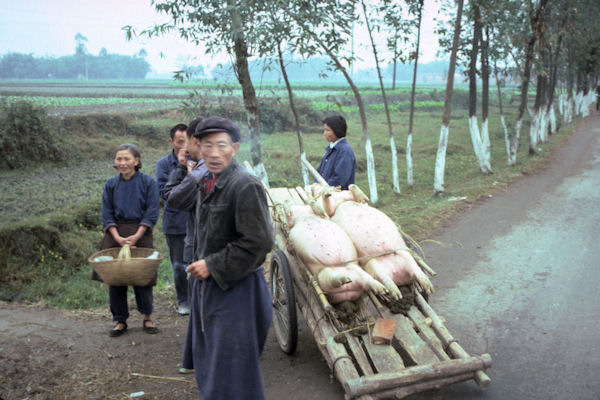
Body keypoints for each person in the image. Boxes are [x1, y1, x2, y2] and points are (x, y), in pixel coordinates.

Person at [183, 116, 274, 400]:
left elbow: (260, 242)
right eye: (206, 145)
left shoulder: (245, 185)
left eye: (220, 145)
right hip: (210, 288)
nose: (212, 153)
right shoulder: (207, 182)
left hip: (238, 289)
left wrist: (212, 264)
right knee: (212, 360)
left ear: (234, 148)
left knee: (234, 369)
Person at [95, 143, 159, 337]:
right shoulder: (111, 184)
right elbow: (107, 214)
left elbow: (152, 212)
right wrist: (117, 237)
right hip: (115, 235)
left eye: (126, 159)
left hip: (141, 233)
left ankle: (147, 317)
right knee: (116, 279)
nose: (122, 163)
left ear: (136, 161)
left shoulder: (148, 182)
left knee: (143, 277)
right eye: (118, 159)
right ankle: (120, 320)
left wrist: (137, 236)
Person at [163, 118, 207, 374]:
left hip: (201, 246)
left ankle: (197, 357)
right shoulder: (204, 169)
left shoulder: (200, 170)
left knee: (200, 302)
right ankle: (196, 355)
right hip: (201, 243)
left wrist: (184, 173)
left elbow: (172, 197)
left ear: (194, 142)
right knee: (201, 300)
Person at [156, 123, 191, 315]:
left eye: (187, 141)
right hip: (175, 222)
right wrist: (180, 166)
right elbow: (164, 193)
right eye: (180, 142)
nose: (184, 145)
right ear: (171, 142)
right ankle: (183, 300)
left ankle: (198, 299)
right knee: (179, 265)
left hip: (197, 221)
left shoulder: (198, 161)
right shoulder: (163, 164)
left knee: (198, 262)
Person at [316, 114, 356, 190]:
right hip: (325, 193)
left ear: (337, 130)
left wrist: (323, 188)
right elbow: (320, 173)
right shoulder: (330, 149)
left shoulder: (345, 151)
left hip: (338, 197)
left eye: (327, 130)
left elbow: (340, 179)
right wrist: (316, 184)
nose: (324, 133)